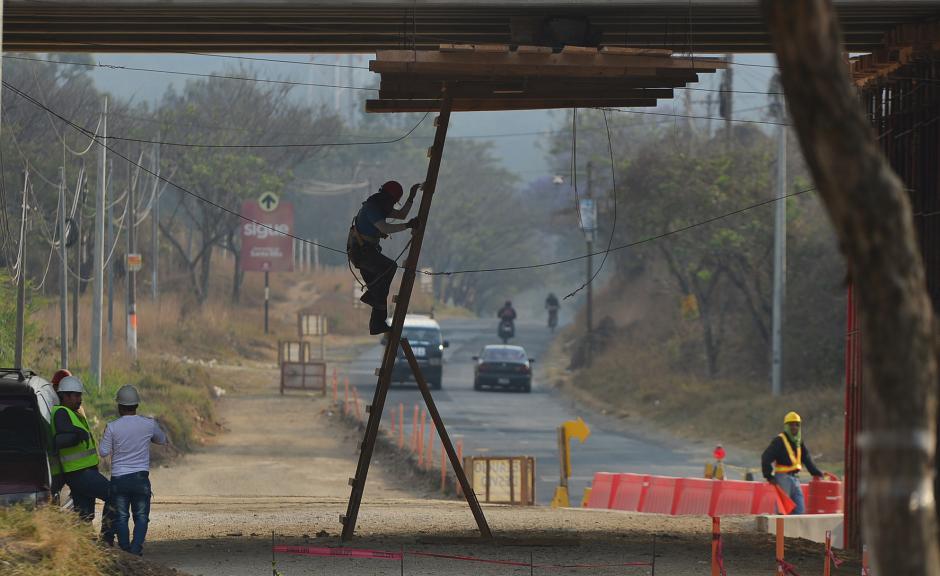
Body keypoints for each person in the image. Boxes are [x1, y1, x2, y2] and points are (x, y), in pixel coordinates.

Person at [99, 385, 168, 556]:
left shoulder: (112, 427)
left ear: (119, 406)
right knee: (142, 517)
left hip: (119, 480)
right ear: (136, 405)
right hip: (140, 479)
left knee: (121, 517)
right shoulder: (148, 424)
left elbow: (103, 451)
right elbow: (162, 439)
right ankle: (136, 550)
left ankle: (125, 550)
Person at [347, 181, 422, 335]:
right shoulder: (372, 209)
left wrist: (411, 197)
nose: (393, 204)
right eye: (393, 201)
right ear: (387, 198)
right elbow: (386, 228)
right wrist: (408, 226)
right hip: (362, 253)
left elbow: (401, 215)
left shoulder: (380, 207)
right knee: (389, 268)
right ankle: (372, 299)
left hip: (366, 252)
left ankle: (377, 325)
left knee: (379, 292)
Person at [51, 375, 113, 539]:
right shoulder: (62, 412)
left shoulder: (72, 413)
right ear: (65, 396)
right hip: (80, 474)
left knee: (85, 517)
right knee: (115, 495)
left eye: (80, 395)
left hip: (82, 473)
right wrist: (78, 433)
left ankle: (88, 545)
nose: (80, 399)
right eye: (76, 395)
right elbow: (64, 433)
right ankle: (106, 540)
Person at [761, 411, 824, 514]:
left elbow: (806, 458)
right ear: (786, 426)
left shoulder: (799, 441)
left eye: (796, 425)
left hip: (794, 478)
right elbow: (765, 457)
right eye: (791, 425)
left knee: (799, 510)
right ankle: (779, 529)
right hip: (783, 478)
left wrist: (817, 472)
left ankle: (792, 530)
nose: (794, 427)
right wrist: (769, 476)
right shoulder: (779, 440)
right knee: (782, 510)